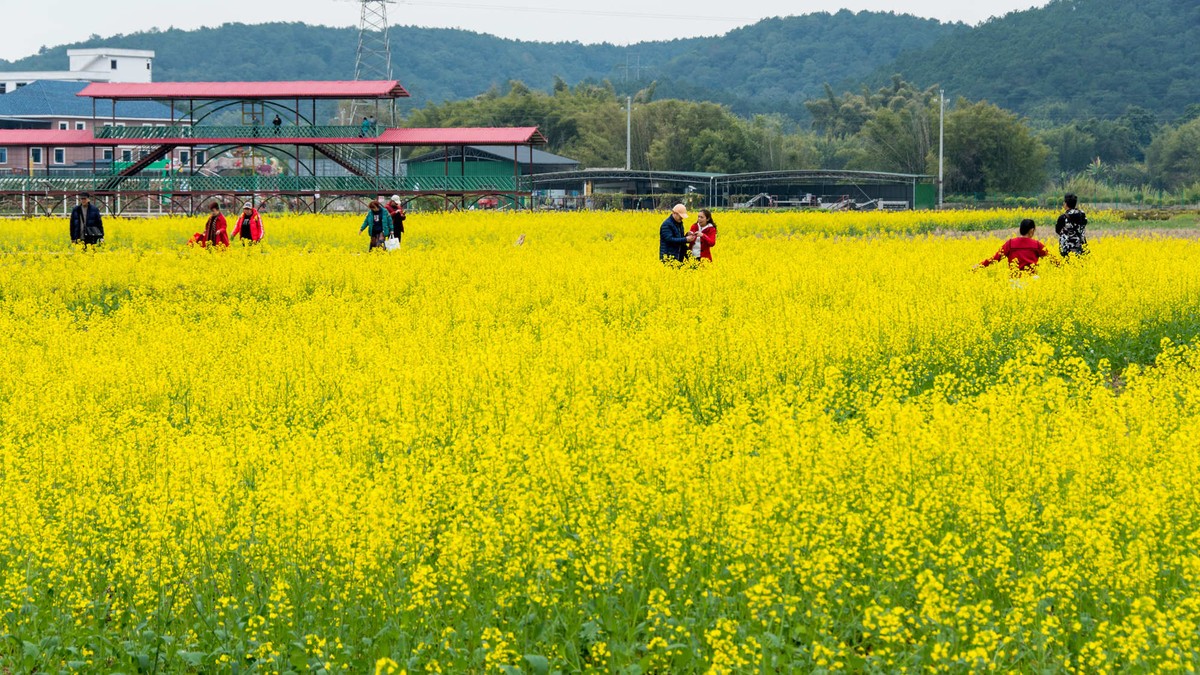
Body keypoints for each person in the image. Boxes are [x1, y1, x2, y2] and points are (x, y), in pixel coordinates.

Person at [976, 219, 1054, 275]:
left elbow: (995, 258)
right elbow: (1051, 258)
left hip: (1015, 280)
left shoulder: (1010, 244)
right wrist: (1064, 267)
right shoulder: (1037, 245)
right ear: (1032, 230)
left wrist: (979, 266)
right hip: (1032, 279)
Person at [1055, 193, 1088, 258]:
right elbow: (1084, 223)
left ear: (1066, 204)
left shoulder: (1063, 217)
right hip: (1080, 246)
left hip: (1067, 248)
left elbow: (1057, 230)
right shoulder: (1082, 214)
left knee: (1068, 265)